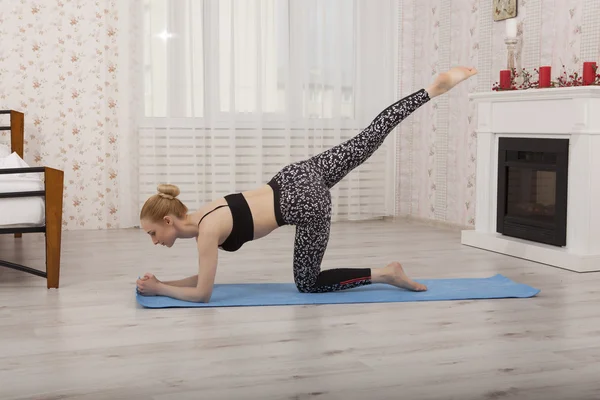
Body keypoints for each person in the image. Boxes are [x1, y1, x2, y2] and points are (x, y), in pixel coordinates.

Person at [136, 66, 478, 302]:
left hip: (303, 203)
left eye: (153, 233)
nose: (154, 241)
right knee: (367, 139)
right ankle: (431, 90)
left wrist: (160, 290)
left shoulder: (207, 233)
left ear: (168, 220)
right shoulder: (206, 212)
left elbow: (202, 293)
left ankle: (386, 273)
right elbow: (200, 277)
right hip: (295, 175)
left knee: (309, 284)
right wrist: (161, 283)